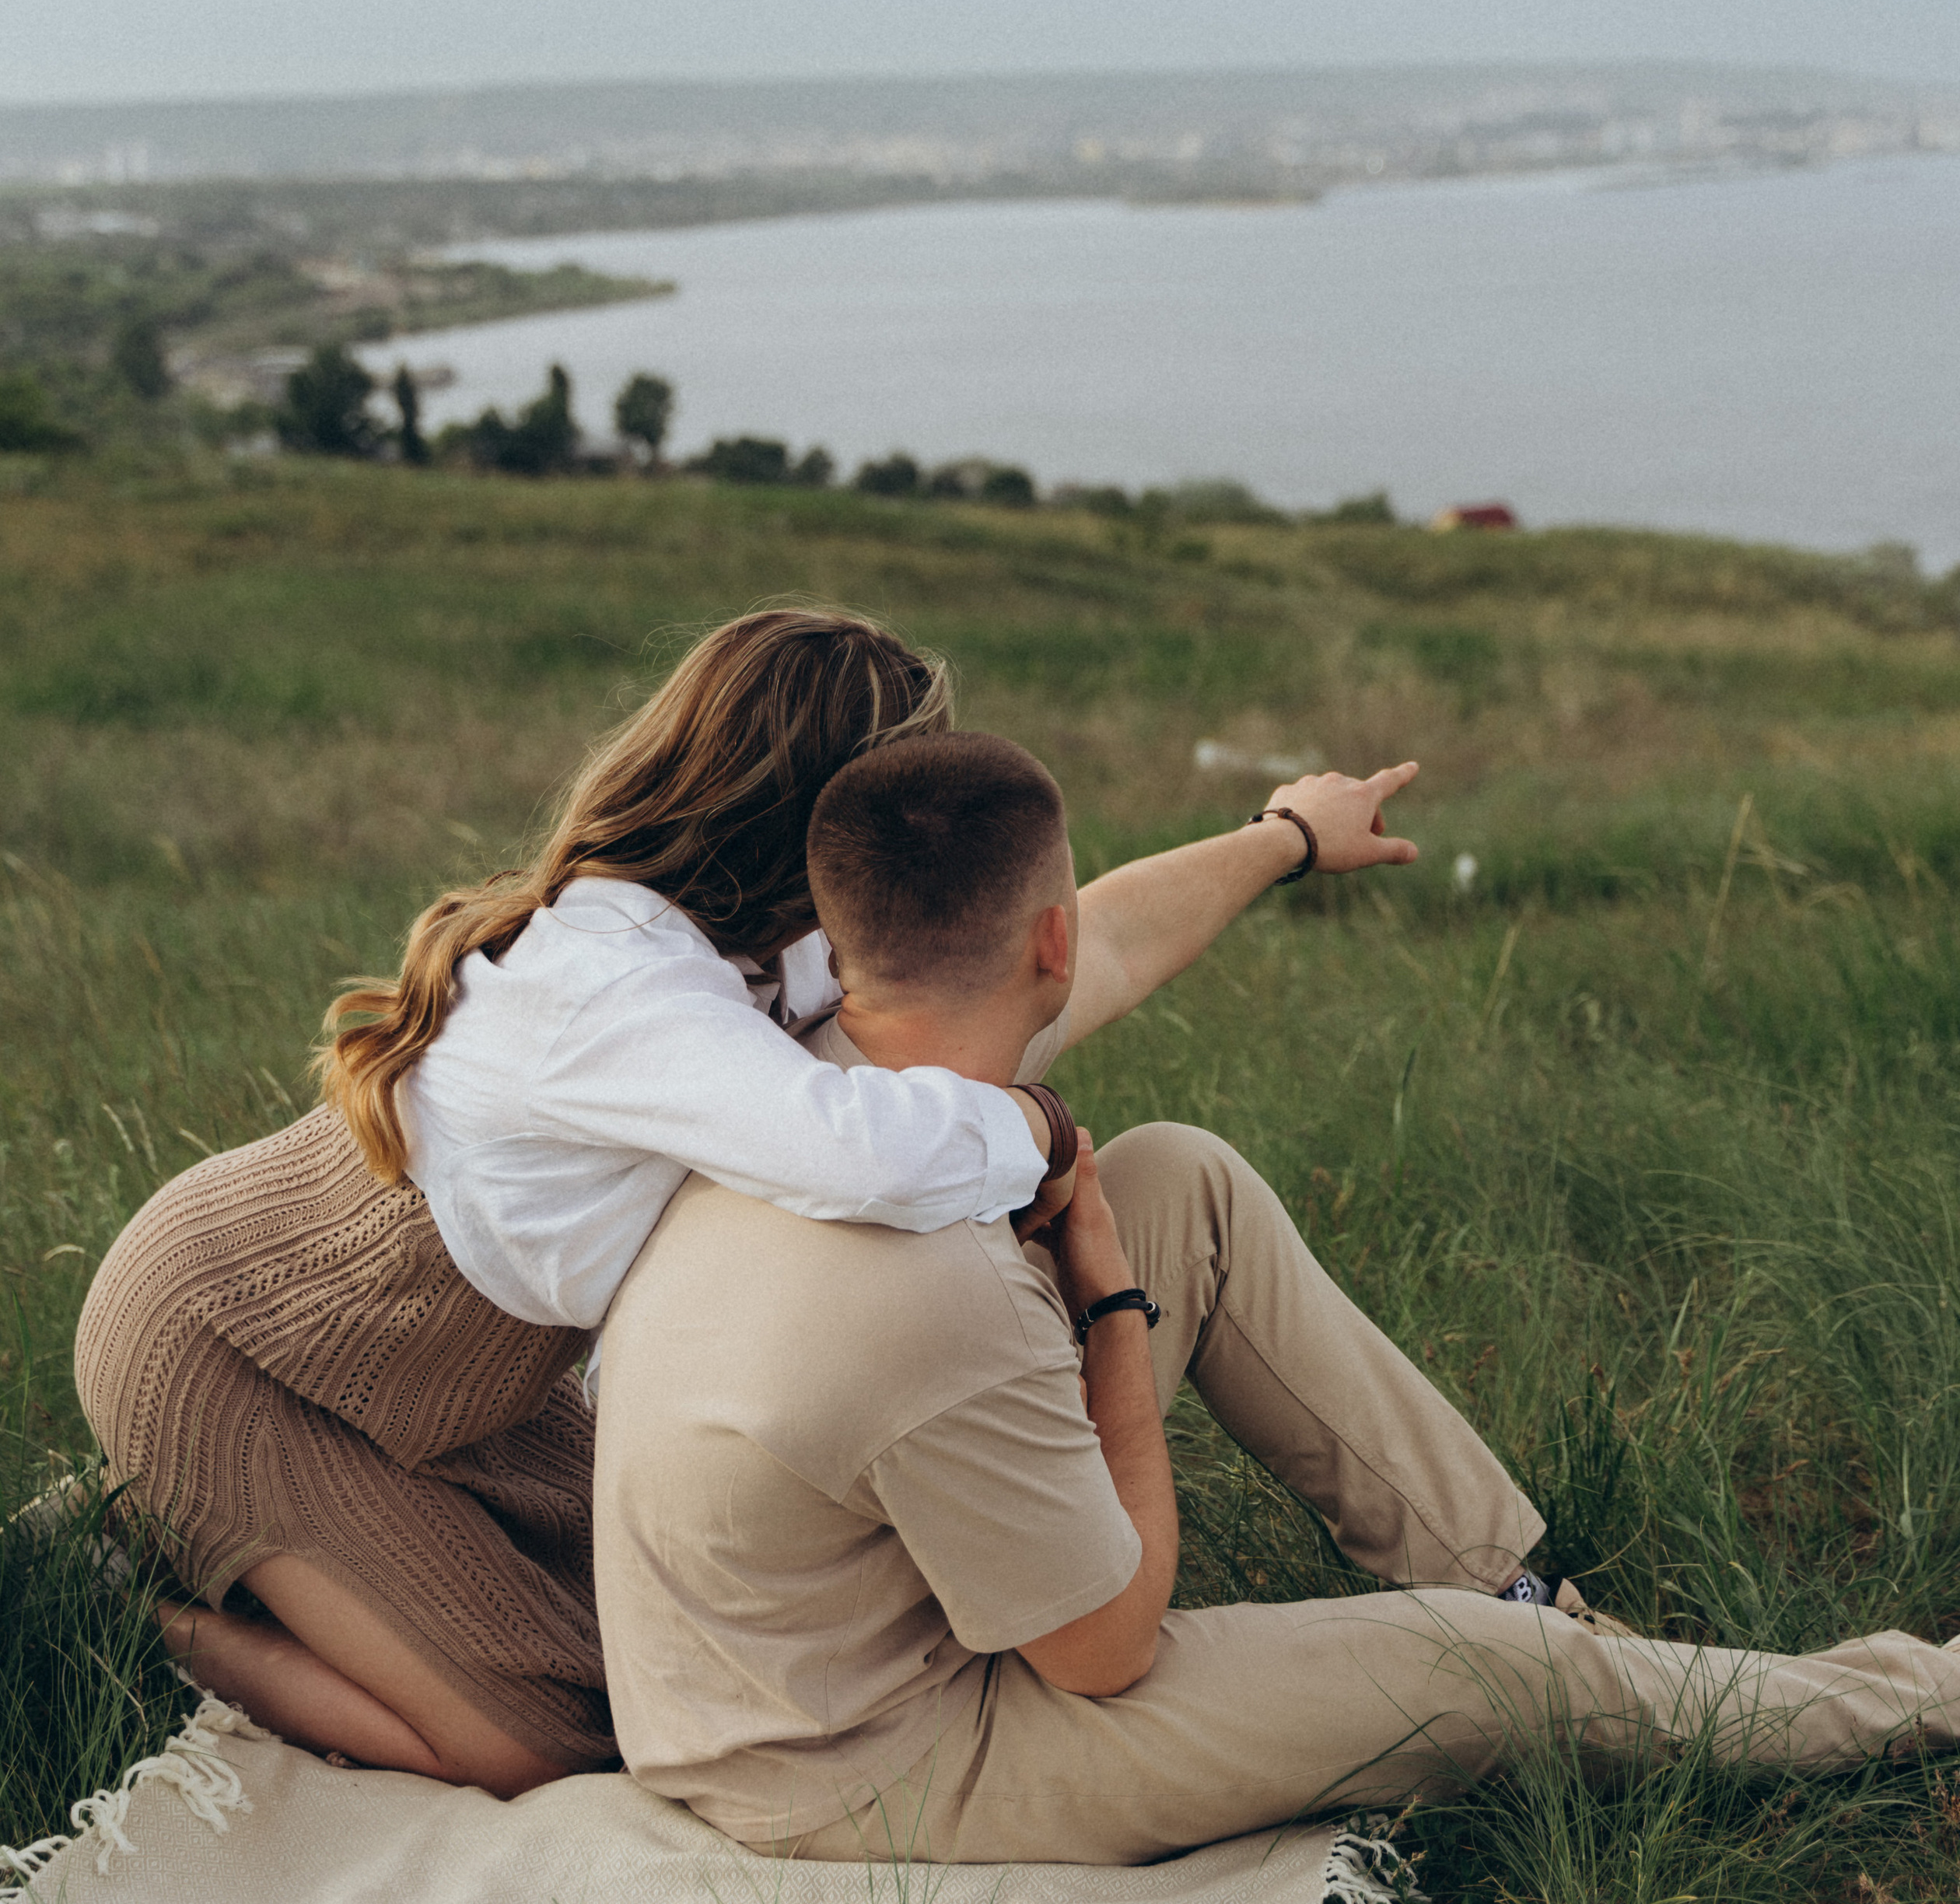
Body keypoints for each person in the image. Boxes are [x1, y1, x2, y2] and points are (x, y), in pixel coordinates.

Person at [75, 605, 1420, 1798]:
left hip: (452, 1397)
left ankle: (237, 1566)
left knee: (659, 1644)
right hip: (237, 1360)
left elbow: (1086, 946)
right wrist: (1047, 1133)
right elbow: (864, 1153)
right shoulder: (613, 984)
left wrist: (1287, 839)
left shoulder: (772, 946)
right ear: (808, 815)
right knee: (544, 1737)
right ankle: (131, 1597)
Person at [594, 732, 1960, 1866]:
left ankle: (1536, 1595)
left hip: (789, 1624)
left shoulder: (812, 1081)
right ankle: (1935, 1695)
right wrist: (1111, 1312)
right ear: (1044, 941)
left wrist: (1290, 835)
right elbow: (1102, 1651)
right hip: (846, 1760)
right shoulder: (937, 1298)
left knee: (1179, 1178)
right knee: (1474, 1671)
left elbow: (1127, 932)